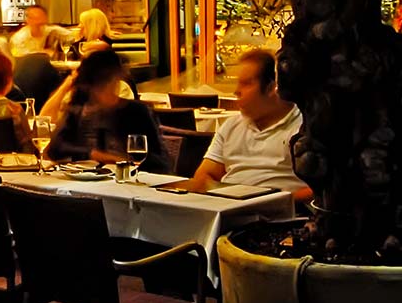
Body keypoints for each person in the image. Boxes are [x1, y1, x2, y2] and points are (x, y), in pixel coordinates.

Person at [182, 48, 310, 199]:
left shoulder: (305, 128)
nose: (237, 91)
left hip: (282, 216)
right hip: (228, 210)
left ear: (271, 88)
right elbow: (204, 175)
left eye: (246, 83)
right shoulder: (231, 126)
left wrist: (276, 202)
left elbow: (322, 190)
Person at [46, 49, 162, 167]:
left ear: (116, 80)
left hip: (129, 179)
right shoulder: (79, 110)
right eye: (98, 87)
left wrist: (125, 162)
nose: (101, 93)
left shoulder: (136, 112)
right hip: (85, 180)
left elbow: (160, 162)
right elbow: (55, 148)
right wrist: (92, 154)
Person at [12, 28, 66, 113]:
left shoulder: (20, 61)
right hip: (38, 111)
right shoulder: (44, 64)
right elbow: (58, 97)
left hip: (19, 108)